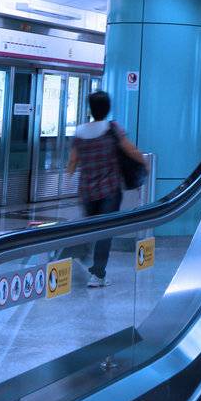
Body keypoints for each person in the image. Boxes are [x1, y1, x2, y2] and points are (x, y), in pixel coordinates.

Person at [65, 90, 145, 287]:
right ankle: (98, 274)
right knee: (105, 231)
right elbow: (130, 149)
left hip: (87, 191)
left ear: (90, 109)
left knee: (90, 227)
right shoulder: (112, 128)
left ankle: (83, 255)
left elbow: (73, 160)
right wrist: (145, 162)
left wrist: (68, 177)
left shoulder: (80, 131)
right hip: (109, 190)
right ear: (108, 108)